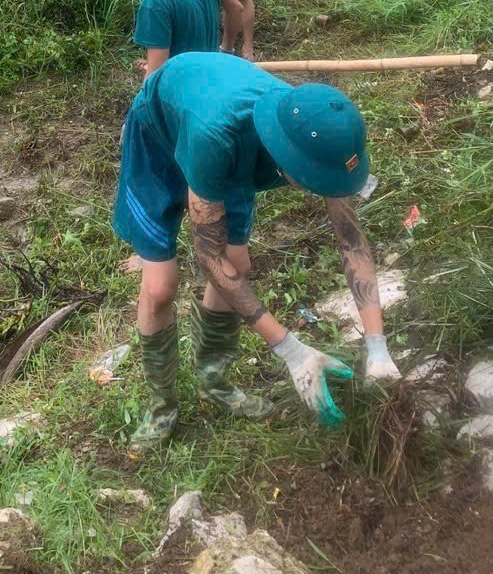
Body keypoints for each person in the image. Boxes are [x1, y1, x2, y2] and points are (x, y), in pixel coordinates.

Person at [113, 51, 401, 451]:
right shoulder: (217, 136)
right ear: (289, 162)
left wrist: (377, 346)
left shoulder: (318, 134)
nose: (322, 187)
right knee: (161, 286)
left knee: (239, 266)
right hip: (160, 132)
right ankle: (162, 405)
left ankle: (212, 380)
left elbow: (350, 239)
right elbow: (209, 256)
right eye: (316, 181)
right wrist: (291, 350)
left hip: (230, 143)